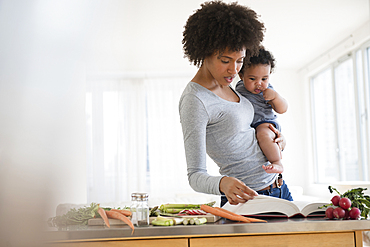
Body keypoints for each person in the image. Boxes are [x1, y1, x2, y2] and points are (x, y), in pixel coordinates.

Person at [179, 1, 293, 207]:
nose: (234, 69)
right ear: (204, 52)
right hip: (247, 200)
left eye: (240, 60)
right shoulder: (195, 100)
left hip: (279, 187)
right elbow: (195, 175)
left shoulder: (232, 86)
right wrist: (222, 183)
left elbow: (245, 133)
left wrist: (278, 138)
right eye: (225, 60)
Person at [236, 48, 287, 174]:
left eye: (264, 79)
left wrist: (275, 97)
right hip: (250, 125)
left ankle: (277, 162)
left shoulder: (268, 90)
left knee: (263, 134)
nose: (259, 83)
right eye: (252, 79)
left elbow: (282, 109)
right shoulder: (238, 89)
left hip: (265, 122)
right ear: (241, 76)